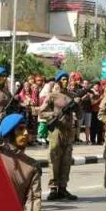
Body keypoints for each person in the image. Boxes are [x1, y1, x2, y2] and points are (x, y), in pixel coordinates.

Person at [38, 70, 79, 201]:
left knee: (66, 161)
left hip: (68, 131)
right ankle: (53, 188)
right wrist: (53, 115)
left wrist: (78, 106)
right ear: (58, 81)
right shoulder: (52, 96)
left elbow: (79, 116)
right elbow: (41, 112)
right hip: (56, 131)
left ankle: (63, 187)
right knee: (54, 160)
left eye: (67, 79)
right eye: (63, 79)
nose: (65, 81)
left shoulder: (72, 96)